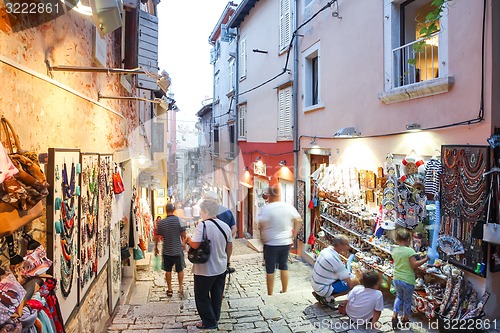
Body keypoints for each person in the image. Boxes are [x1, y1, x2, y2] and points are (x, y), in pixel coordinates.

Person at [186, 199, 233, 330]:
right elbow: (229, 246)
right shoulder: (225, 226)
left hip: (204, 269)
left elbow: (195, 244)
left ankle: (209, 321)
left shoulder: (203, 225)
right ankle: (215, 316)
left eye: (201, 210)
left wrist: (188, 239)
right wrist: (227, 260)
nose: (200, 213)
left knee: (202, 296)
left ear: (206, 211)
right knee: (217, 294)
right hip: (221, 267)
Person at [257, 184, 303, 295]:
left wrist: (262, 237)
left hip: (271, 242)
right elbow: (299, 220)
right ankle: (284, 290)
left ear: (269, 195)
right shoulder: (287, 206)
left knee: (270, 269)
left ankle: (270, 293)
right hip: (285, 241)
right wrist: (294, 235)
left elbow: (261, 224)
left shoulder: (267, 208)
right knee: (284, 266)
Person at [391, 228, 430, 329]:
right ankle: (405, 318)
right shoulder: (409, 251)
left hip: (397, 278)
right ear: (408, 239)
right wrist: (426, 259)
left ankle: (394, 315)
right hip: (407, 279)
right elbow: (414, 265)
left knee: (399, 297)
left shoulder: (395, 250)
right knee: (407, 301)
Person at [311, 235, 359, 308]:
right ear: (340, 245)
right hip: (322, 288)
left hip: (316, 284)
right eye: (347, 244)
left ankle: (324, 295)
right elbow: (349, 281)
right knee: (355, 282)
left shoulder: (326, 251)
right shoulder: (334, 259)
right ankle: (329, 298)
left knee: (350, 278)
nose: (348, 247)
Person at [153, 203, 186, 297]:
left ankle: (170, 289)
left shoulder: (161, 223)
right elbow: (183, 234)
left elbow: (156, 237)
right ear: (174, 209)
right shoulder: (179, 220)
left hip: (167, 250)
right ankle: (180, 288)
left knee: (168, 270)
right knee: (180, 269)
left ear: (165, 210)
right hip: (177, 249)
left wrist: (156, 248)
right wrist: (183, 244)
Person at [203, 191, 237, 273]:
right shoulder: (227, 211)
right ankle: (227, 264)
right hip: (225, 242)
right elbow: (234, 228)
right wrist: (228, 236)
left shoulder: (207, 212)